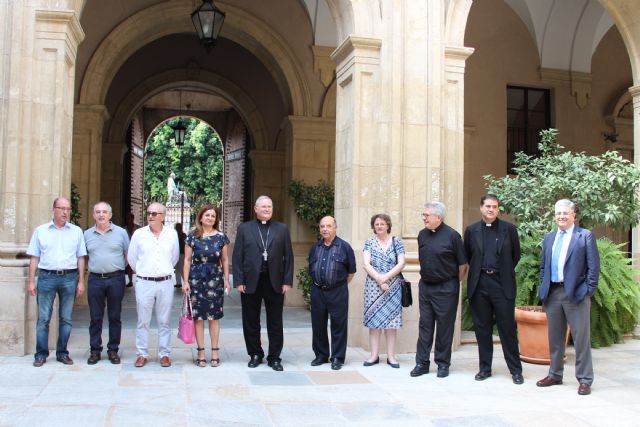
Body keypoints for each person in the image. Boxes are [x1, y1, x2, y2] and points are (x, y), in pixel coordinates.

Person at [536, 199, 600, 395]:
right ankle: (555, 374)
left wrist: (587, 291)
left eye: (565, 213)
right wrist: (543, 289)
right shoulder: (549, 238)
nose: (561, 216)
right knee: (555, 337)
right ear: (554, 216)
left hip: (576, 295)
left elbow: (593, 267)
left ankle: (585, 379)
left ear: (574, 216)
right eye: (558, 213)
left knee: (581, 338)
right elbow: (543, 266)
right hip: (553, 293)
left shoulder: (585, 236)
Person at [464, 194, 524, 384]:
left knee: (507, 329)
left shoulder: (509, 230)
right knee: (482, 329)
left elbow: (516, 255)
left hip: (501, 284)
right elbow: (468, 255)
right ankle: (485, 368)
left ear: (498, 209)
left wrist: (502, 271)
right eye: (488, 206)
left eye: (495, 207)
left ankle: (515, 370)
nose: (491, 209)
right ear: (481, 208)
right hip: (480, 283)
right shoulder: (471, 230)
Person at [232, 195, 294, 371]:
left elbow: (288, 257)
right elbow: (237, 256)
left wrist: (287, 281)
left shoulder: (282, 229)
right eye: (264, 206)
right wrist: (239, 280)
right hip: (251, 281)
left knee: (275, 321)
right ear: (256, 209)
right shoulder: (244, 228)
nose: (267, 209)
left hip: (274, 281)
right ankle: (255, 354)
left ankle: (274, 357)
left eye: (270, 206)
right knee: (251, 320)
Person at [27, 197, 87, 367]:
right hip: (46, 277)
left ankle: (62, 353)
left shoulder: (76, 231)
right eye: (61, 208)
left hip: (69, 277)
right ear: (53, 209)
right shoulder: (41, 231)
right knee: (44, 318)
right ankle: (40, 354)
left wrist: (81, 281)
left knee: (66, 318)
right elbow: (34, 256)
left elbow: (81, 257)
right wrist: (31, 281)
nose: (65, 212)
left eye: (67, 209)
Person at [411, 201, 468, 378]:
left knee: (444, 327)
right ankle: (422, 363)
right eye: (423, 215)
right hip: (426, 287)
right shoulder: (422, 235)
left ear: (438, 217)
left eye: (426, 215)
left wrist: (453, 284)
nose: (424, 218)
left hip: (446, 288)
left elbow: (463, 265)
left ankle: (443, 364)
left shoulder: (453, 236)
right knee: (425, 326)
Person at [127, 202, 179, 368]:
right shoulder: (139, 234)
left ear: (162, 216)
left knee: (164, 320)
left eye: (154, 214)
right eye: (149, 213)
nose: (150, 216)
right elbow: (132, 258)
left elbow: (174, 257)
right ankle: (142, 353)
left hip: (165, 282)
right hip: (145, 282)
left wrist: (163, 271)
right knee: (143, 320)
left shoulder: (171, 234)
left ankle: (164, 353)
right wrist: (144, 272)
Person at [183, 205, 230, 367]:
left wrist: (226, 279)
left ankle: (215, 351)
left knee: (214, 317)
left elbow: (224, 260)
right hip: (196, 280)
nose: (210, 218)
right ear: (201, 218)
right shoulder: (192, 237)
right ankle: (201, 351)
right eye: (207, 215)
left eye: (213, 216)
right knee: (198, 317)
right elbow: (187, 260)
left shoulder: (221, 237)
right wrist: (185, 281)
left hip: (215, 279)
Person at [84, 201, 130, 365]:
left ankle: (113, 350)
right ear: (93, 215)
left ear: (110, 215)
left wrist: (116, 269)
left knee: (114, 316)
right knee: (95, 317)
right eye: (98, 212)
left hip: (115, 278)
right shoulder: (87, 234)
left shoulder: (121, 233)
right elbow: (86, 257)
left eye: (104, 212)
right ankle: (95, 350)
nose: (101, 215)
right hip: (95, 279)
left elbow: (127, 254)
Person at [308, 216, 356, 370]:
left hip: (338, 291)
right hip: (317, 291)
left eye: (328, 226)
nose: (325, 229)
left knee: (338, 325)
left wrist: (337, 284)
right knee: (318, 325)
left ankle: (337, 357)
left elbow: (351, 272)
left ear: (335, 227)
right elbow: (311, 268)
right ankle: (321, 355)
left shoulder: (344, 247)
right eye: (322, 226)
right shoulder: (316, 247)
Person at [362, 214, 405, 368]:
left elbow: (401, 263)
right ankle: (374, 355)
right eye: (376, 224)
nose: (379, 226)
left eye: (382, 224)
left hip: (393, 286)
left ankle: (391, 357)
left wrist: (385, 278)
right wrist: (379, 279)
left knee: (391, 323)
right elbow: (366, 264)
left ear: (388, 225)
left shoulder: (397, 241)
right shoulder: (369, 242)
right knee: (374, 323)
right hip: (373, 286)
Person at [125, 212, 139, 287]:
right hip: (127, 250)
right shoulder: (124, 229)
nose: (129, 220)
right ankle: (130, 281)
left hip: (137, 250)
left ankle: (139, 279)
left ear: (133, 219)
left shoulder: (138, 228)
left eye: (130, 218)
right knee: (128, 266)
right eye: (127, 218)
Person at [174, 223, 187, 288]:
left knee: (181, 268)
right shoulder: (177, 235)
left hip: (181, 253)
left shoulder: (182, 235)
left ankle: (185, 282)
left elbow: (184, 245)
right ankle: (178, 283)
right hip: (178, 253)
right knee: (177, 269)